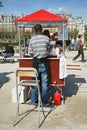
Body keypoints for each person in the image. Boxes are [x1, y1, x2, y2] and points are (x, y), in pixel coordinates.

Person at [28, 24, 50, 106]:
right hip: (44, 63)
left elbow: (29, 53)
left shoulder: (32, 39)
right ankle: (44, 102)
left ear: (34, 30)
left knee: (35, 82)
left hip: (35, 63)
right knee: (44, 83)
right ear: (41, 29)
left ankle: (34, 101)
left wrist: (34, 53)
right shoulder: (46, 38)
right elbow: (48, 48)